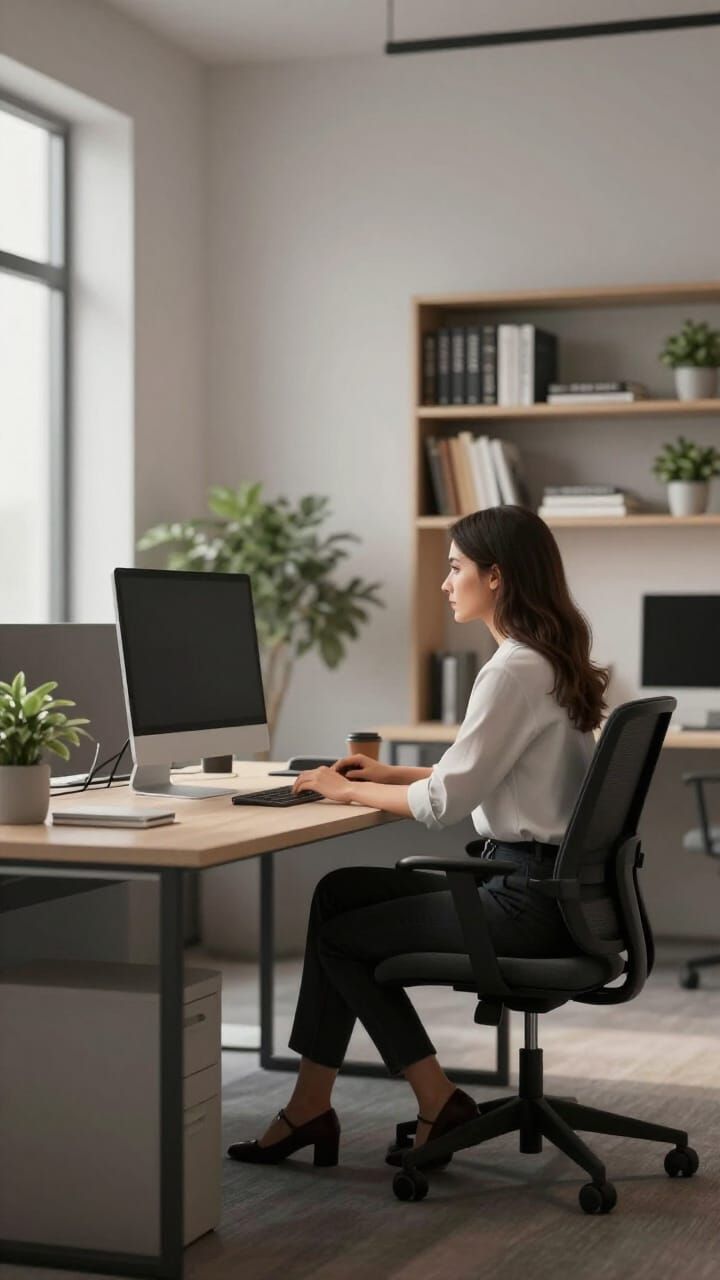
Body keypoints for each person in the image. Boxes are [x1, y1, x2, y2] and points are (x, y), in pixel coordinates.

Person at [227, 505, 609, 1170]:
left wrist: (342, 788)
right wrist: (384, 772)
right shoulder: (542, 661)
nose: (445, 582)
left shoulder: (511, 670)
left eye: (455, 568)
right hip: (551, 892)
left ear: (495, 577)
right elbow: (480, 774)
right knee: (339, 896)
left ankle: (437, 1096)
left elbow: (441, 804)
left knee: (340, 938)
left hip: (522, 903)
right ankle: (310, 1107)